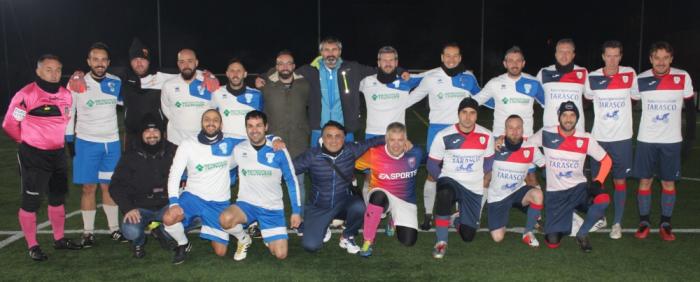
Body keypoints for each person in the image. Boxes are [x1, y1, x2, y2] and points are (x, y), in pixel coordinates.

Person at [3, 54, 83, 261]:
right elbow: (9, 125)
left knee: (57, 198)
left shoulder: (66, 94)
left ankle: (59, 239)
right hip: (33, 155)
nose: (54, 73)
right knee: (31, 201)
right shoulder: (26, 94)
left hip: (57, 154)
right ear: (38, 71)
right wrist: (24, 141)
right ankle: (33, 245)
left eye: (57, 69)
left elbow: (64, 119)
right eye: (49, 69)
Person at [408, 43, 481, 230]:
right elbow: (413, 97)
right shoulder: (431, 77)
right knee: (433, 175)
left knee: (462, 172)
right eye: (447, 55)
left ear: (460, 57)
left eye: (455, 56)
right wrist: (392, 109)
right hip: (437, 132)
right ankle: (428, 214)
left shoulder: (468, 77)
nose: (451, 59)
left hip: (463, 131)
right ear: (442, 57)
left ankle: (459, 213)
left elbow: (481, 98)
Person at [632, 41, 695, 241]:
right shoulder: (640, 79)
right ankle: (644, 222)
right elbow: (629, 105)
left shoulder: (682, 77)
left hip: (672, 141)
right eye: (657, 58)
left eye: (665, 57)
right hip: (646, 140)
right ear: (650, 59)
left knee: (668, 183)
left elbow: (691, 110)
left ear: (671, 59)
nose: (661, 62)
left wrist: (689, 139)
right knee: (645, 181)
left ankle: (665, 223)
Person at [528, 101, 611, 252]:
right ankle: (570, 215)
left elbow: (606, 161)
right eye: (564, 115)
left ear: (577, 118)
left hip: (579, 189)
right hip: (556, 194)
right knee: (552, 242)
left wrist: (599, 180)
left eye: (572, 115)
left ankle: (582, 233)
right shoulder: (546, 133)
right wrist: (542, 162)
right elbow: (526, 145)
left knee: (603, 198)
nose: (568, 119)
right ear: (559, 117)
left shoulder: (585, 138)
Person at [293, 121, 386, 255]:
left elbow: (373, 141)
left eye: (338, 136)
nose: (334, 140)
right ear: (322, 138)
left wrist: (397, 139)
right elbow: (288, 169)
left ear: (344, 138)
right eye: (329, 136)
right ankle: (322, 226)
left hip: (343, 201)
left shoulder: (351, 150)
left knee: (359, 206)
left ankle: (347, 236)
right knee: (311, 246)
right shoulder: (311, 156)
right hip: (319, 206)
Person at [218, 110, 301, 261]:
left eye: (258, 126)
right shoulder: (239, 149)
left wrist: (296, 211)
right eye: (250, 126)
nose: (254, 130)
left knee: (280, 255)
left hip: (271, 208)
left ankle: (265, 230)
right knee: (225, 219)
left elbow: (291, 179)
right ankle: (243, 238)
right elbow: (223, 168)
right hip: (247, 204)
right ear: (246, 128)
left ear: (266, 127)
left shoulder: (278, 149)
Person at [65, 42, 125, 246]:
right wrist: (69, 140)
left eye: (103, 60)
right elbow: (69, 112)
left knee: (109, 187)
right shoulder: (77, 83)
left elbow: (131, 103)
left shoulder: (116, 82)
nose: (100, 63)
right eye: (95, 59)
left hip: (112, 143)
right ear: (88, 61)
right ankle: (88, 233)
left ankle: (114, 230)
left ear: (108, 62)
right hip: (86, 142)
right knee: (88, 188)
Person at [162, 109, 238, 264]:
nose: (211, 122)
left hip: (218, 202)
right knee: (169, 217)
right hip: (193, 197)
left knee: (221, 252)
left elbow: (256, 137)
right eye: (207, 119)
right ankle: (183, 244)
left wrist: (275, 139)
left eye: (215, 120)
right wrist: (174, 202)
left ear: (221, 124)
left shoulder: (230, 142)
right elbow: (174, 173)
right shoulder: (188, 143)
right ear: (201, 123)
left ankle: (201, 222)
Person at [426, 97, 493, 259]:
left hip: (473, 188)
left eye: (472, 113)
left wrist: (481, 177)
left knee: (468, 236)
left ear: (477, 115)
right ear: (458, 114)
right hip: (451, 181)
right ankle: (441, 242)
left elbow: (489, 162)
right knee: (444, 194)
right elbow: (432, 164)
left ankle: (456, 219)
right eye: (464, 112)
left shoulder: (487, 136)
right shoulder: (444, 135)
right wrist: (441, 179)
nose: (468, 117)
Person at [584, 40, 637, 239]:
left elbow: (636, 97)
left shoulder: (629, 74)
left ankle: (617, 223)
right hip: (599, 139)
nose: (612, 60)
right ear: (603, 56)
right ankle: (601, 217)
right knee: (599, 182)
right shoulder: (593, 78)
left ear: (621, 56)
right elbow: (588, 98)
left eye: (616, 55)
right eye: (609, 55)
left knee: (620, 180)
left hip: (622, 139)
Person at [110, 114, 177, 258]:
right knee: (131, 231)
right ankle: (138, 242)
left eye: (155, 131)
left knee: (190, 219)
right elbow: (115, 186)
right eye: (147, 131)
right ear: (141, 134)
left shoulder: (173, 151)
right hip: (140, 208)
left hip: (166, 205)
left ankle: (162, 230)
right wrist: (128, 208)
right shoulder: (130, 155)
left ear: (162, 133)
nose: (152, 135)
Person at [355, 122, 423, 257]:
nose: (396, 144)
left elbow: (434, 161)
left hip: (405, 200)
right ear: (386, 139)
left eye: (400, 140)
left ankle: (393, 220)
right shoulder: (374, 154)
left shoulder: (416, 153)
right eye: (392, 140)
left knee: (408, 241)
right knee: (378, 196)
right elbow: (351, 161)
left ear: (406, 140)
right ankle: (368, 240)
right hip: (381, 194)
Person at [486, 115, 544, 247]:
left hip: (518, 191)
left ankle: (528, 233)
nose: (515, 131)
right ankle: (504, 216)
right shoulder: (495, 146)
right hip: (497, 197)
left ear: (523, 130)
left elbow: (545, 164)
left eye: (518, 127)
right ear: (505, 130)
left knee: (538, 194)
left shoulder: (530, 148)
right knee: (497, 238)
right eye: (510, 127)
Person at [472, 46, 544, 137]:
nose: (515, 64)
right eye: (510, 60)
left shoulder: (534, 82)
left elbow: (547, 103)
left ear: (523, 63)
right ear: (505, 64)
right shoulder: (494, 83)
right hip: (500, 137)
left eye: (518, 60)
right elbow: (474, 101)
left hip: (525, 137)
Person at [160, 49, 216, 146]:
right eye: (182, 62)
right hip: (176, 141)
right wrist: (180, 121)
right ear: (178, 64)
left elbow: (215, 106)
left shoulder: (208, 81)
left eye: (190, 61)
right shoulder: (169, 85)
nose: (186, 65)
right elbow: (166, 108)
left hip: (203, 140)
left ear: (196, 62)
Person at [537, 38, 587, 132]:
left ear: (573, 55)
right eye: (561, 51)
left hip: (576, 131)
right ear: (556, 54)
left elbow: (590, 94)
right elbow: (537, 96)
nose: (564, 55)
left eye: (568, 52)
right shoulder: (544, 73)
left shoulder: (583, 72)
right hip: (551, 130)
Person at [212, 58, 263, 140]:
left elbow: (263, 121)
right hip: (225, 144)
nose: (235, 74)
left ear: (245, 74)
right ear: (227, 74)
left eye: (239, 71)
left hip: (248, 144)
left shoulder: (257, 94)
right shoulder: (216, 93)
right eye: (232, 71)